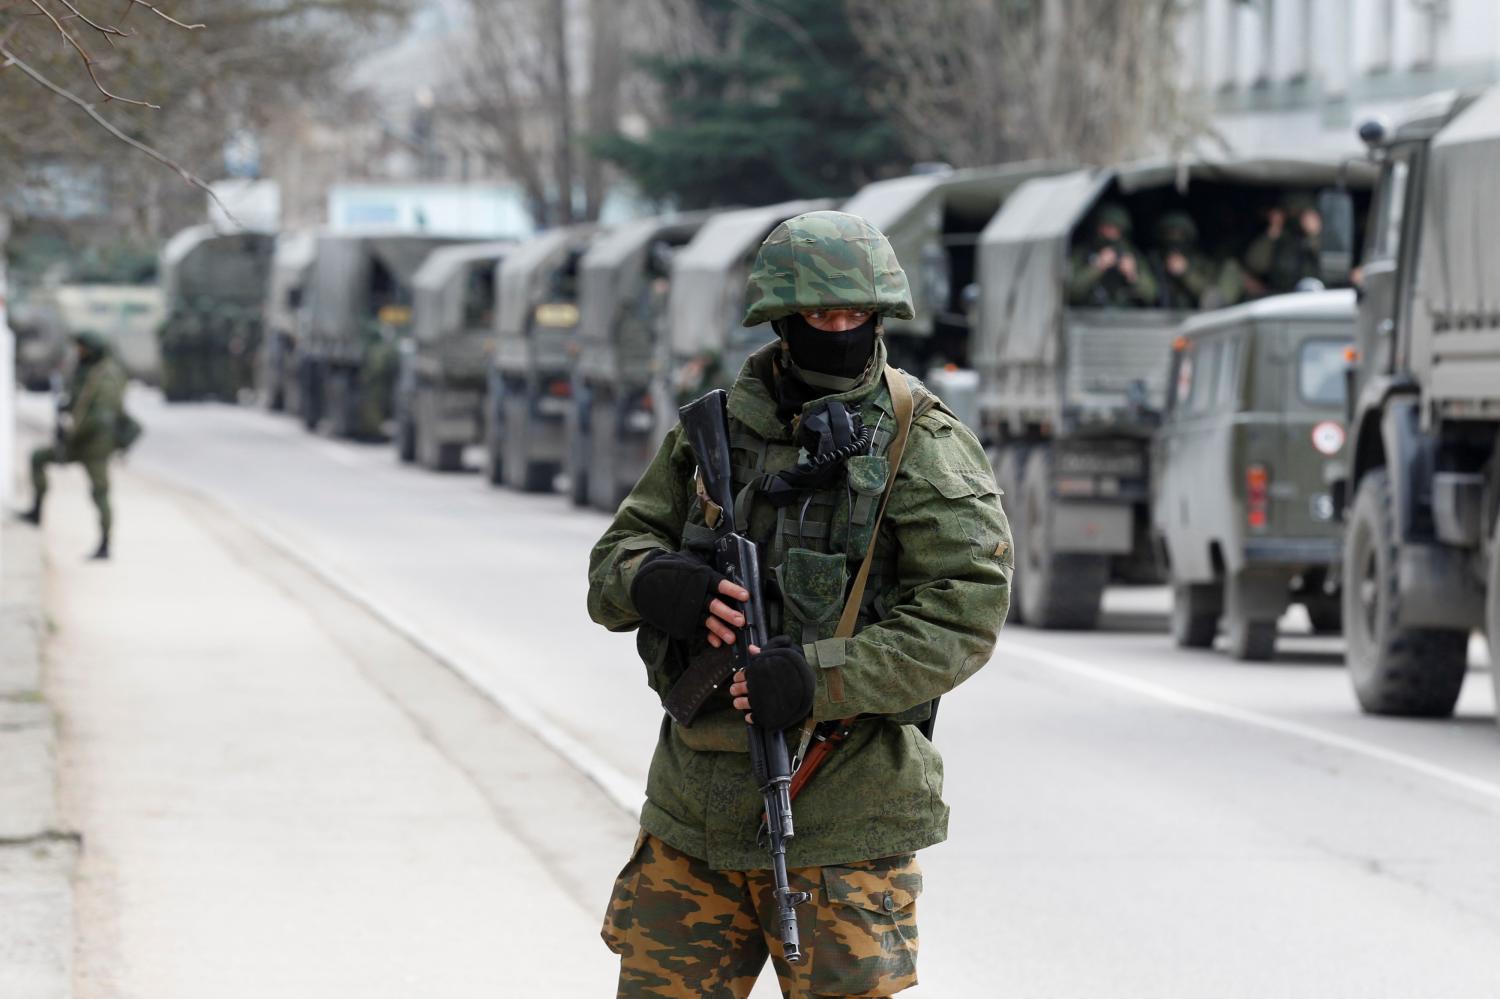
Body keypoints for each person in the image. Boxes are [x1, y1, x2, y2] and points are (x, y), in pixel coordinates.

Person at [587, 210, 1011, 997]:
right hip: (693, 816)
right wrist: (659, 583)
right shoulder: (716, 433)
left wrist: (820, 677)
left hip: (842, 817)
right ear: (783, 319)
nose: (842, 330)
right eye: (822, 315)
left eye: (857, 315)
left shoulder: (920, 441)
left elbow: (964, 616)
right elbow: (613, 560)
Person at [17, 331, 133, 559]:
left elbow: (101, 415)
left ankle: (105, 543)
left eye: (81, 348)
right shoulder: (87, 369)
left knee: (100, 492)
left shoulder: (106, 373)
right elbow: (80, 399)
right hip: (78, 441)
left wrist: (72, 431)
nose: (78, 352)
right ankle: (37, 510)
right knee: (37, 458)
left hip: (95, 445)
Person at [1066, 202, 1158, 307]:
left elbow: (1152, 295)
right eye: (1107, 227)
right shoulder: (1083, 252)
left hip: (1126, 318)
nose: (1111, 232)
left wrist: (1133, 275)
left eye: (1116, 229)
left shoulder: (1132, 254)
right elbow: (1071, 292)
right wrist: (1098, 267)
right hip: (1088, 317)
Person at [1243, 192, 1323, 295]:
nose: (1302, 219)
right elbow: (1255, 265)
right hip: (1282, 295)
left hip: (1318, 294)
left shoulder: (1327, 238)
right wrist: (1273, 232)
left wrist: (1314, 234)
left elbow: (1332, 265)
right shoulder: (1281, 237)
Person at [1149, 212, 1215, 310]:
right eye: (1169, 235)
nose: (1174, 239)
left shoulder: (1200, 263)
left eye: (1179, 235)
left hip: (1193, 318)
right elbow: (1149, 293)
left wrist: (1186, 272)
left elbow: (1211, 296)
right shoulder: (1155, 260)